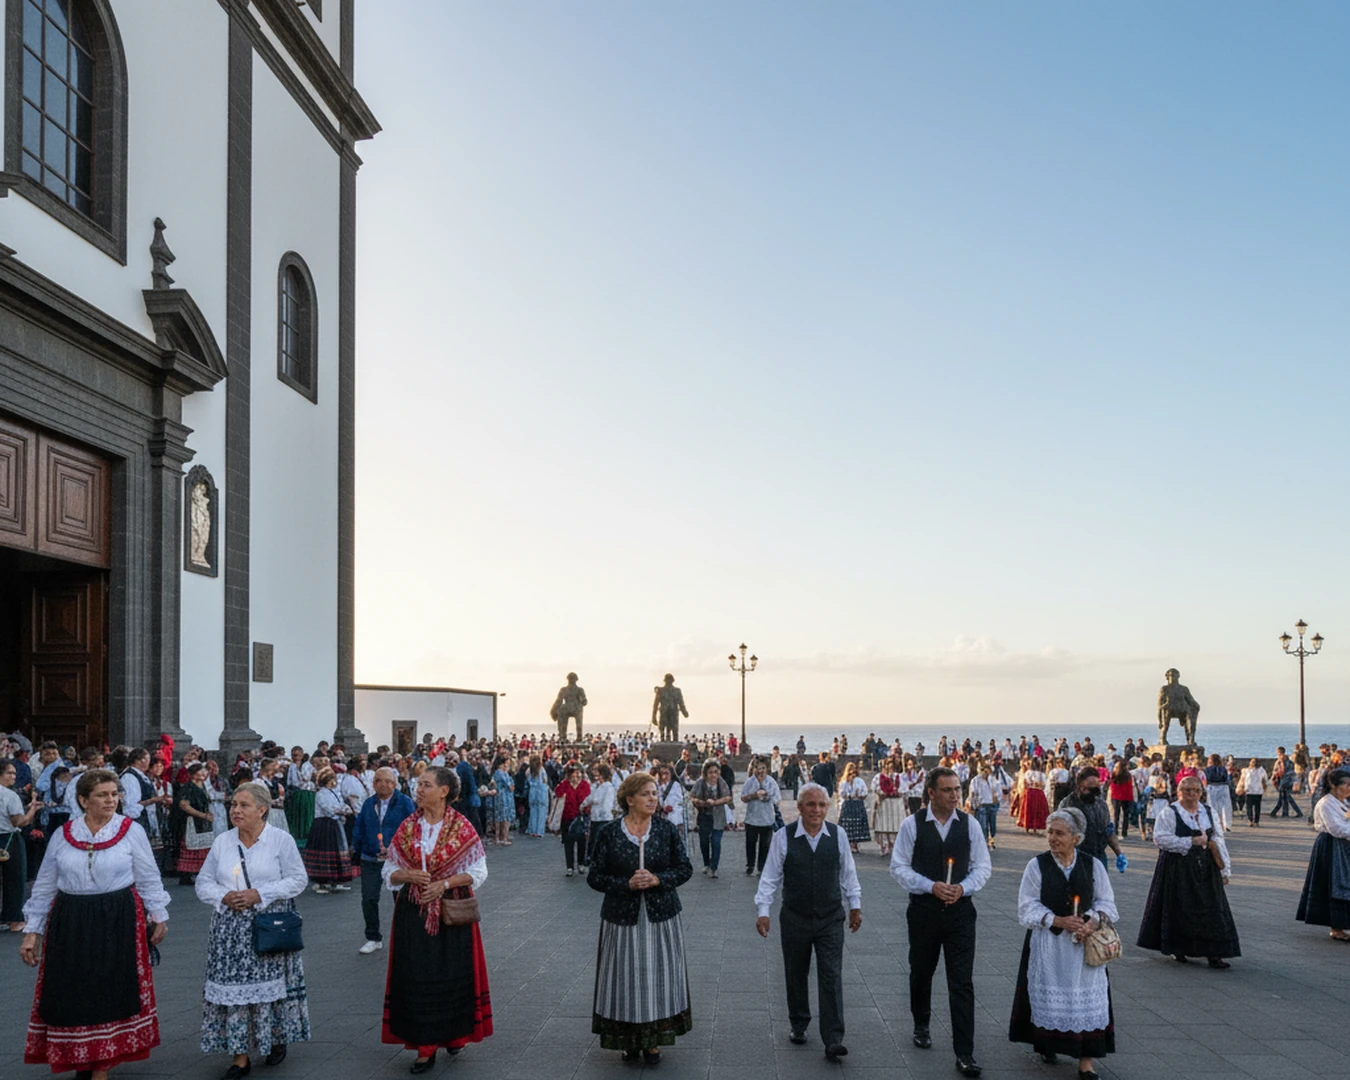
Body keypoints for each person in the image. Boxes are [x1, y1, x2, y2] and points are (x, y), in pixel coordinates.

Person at [20, 769, 168, 1077]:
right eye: (103, 795)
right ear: (84, 800)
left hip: (116, 916)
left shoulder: (130, 831)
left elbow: (148, 876)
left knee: (109, 988)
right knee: (72, 989)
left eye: (115, 794)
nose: (111, 800)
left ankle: (101, 1063)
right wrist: (32, 932)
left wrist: (158, 916)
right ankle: (79, 1055)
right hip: (70, 918)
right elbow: (46, 884)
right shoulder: (64, 834)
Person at [196, 781, 310, 1077]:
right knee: (233, 990)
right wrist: (223, 896)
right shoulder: (223, 841)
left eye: (243, 805)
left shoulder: (279, 840)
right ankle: (239, 1055)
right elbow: (203, 882)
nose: (235, 810)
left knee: (269, 989)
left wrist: (260, 893)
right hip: (229, 930)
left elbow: (298, 880)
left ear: (262, 810)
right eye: (233, 804)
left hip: (267, 925)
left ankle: (275, 1037)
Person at [381, 766, 492, 1072]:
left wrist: (444, 884)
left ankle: (454, 1033)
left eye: (426, 785)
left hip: (451, 912)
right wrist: (408, 875)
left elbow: (479, 871)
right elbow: (388, 871)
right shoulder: (407, 827)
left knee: (452, 973)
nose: (418, 789)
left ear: (444, 791)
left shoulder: (462, 827)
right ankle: (425, 1045)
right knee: (418, 974)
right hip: (414, 912)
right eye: (418, 784)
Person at [890, 766, 990, 1078]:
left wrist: (963, 888)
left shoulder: (970, 824)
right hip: (924, 911)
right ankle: (921, 1022)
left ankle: (965, 1053)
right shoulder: (913, 824)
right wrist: (930, 885)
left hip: (961, 913)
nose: (955, 795)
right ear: (931, 792)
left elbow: (983, 866)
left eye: (957, 789)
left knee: (962, 982)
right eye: (948, 790)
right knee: (922, 971)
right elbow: (899, 866)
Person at [587, 771, 693, 1063]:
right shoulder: (609, 833)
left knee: (659, 977)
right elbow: (594, 877)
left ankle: (655, 1040)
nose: (652, 799)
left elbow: (685, 869)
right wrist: (626, 884)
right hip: (621, 917)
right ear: (629, 798)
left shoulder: (666, 830)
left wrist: (658, 879)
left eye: (655, 794)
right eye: (646, 794)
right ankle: (628, 1040)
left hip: (661, 917)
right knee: (624, 977)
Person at [1008, 808, 1119, 1079]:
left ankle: (1086, 1061)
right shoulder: (1037, 865)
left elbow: (1108, 903)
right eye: (1050, 832)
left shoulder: (1092, 865)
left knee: (1085, 1001)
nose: (1052, 838)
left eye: (1060, 833)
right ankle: (1049, 1043)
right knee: (1051, 996)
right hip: (1050, 945)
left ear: (1076, 838)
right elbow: (1027, 906)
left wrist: (1091, 920)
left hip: (1084, 948)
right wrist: (1057, 920)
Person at [755, 783, 862, 1061]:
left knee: (831, 975)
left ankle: (833, 1038)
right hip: (795, 917)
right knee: (796, 972)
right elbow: (769, 877)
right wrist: (763, 911)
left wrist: (855, 906)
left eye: (821, 805)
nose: (816, 810)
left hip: (829, 918)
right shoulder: (783, 837)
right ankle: (799, 1023)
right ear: (800, 807)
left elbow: (848, 875)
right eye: (811, 805)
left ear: (828, 808)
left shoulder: (838, 835)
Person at [1136, 775, 1239, 969]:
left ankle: (1214, 953)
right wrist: (1189, 842)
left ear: (1201, 793)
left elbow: (1218, 839)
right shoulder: (1169, 812)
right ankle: (1179, 948)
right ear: (1179, 792)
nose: (1192, 794)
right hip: (1178, 867)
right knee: (1180, 907)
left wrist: (1225, 869)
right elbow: (1160, 838)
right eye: (1187, 790)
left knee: (1213, 908)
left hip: (1205, 867)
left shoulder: (1208, 811)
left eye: (1196, 791)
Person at [352, 767, 415, 955]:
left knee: (401, 900)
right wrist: (357, 848)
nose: (383, 784)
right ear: (373, 783)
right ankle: (373, 937)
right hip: (370, 858)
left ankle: (405, 936)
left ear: (395, 784)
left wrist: (399, 850)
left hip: (397, 860)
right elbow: (359, 827)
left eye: (388, 781)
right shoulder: (369, 803)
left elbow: (412, 830)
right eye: (379, 780)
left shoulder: (405, 803)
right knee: (369, 898)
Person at [1295, 768, 1350, 941]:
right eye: (1347, 785)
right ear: (1334, 785)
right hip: (1331, 846)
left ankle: (1341, 925)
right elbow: (1336, 828)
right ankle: (1336, 927)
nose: (1349, 788)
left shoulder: (1341, 802)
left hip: (1342, 845)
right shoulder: (1326, 803)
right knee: (1334, 885)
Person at [1057, 768, 1125, 871]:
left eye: (1096, 790)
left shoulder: (1101, 805)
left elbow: (1109, 832)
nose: (1092, 794)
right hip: (1075, 858)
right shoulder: (1067, 805)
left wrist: (1119, 853)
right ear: (1080, 786)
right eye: (1088, 789)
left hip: (1099, 857)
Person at [305, 767, 357, 893]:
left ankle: (336, 880)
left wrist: (346, 808)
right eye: (332, 779)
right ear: (328, 780)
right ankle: (322, 883)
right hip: (324, 825)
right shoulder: (321, 793)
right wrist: (341, 811)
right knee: (325, 851)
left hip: (335, 824)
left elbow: (340, 803)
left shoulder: (334, 792)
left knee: (338, 851)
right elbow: (327, 808)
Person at [176, 761, 217, 885]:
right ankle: (186, 874)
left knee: (204, 846)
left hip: (203, 821)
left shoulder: (203, 787)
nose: (204, 773)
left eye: (205, 771)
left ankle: (201, 872)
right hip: (192, 821)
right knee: (191, 846)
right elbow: (184, 805)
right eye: (201, 771)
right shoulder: (188, 788)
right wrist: (202, 815)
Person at [689, 760, 732, 878]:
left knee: (716, 841)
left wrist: (715, 802)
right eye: (710, 772)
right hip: (704, 816)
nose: (713, 775)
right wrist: (698, 802)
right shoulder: (700, 783)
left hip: (718, 816)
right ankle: (706, 863)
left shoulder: (721, 782)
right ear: (705, 773)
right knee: (704, 841)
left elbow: (728, 797)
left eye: (715, 772)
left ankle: (714, 867)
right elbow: (691, 796)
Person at [740, 757, 781, 874]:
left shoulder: (771, 782)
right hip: (752, 818)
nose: (760, 771)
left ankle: (762, 866)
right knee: (750, 843)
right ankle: (750, 865)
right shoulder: (750, 782)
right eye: (758, 768)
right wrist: (754, 796)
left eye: (763, 768)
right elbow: (743, 797)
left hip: (767, 818)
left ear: (767, 769)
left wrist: (768, 796)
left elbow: (778, 799)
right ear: (754, 769)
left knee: (765, 845)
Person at [556, 762, 591, 877]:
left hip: (581, 817)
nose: (576, 777)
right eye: (573, 774)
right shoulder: (565, 784)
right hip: (567, 818)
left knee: (582, 842)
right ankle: (570, 867)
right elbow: (558, 792)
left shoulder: (585, 785)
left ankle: (581, 864)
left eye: (578, 774)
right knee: (568, 843)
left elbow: (587, 799)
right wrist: (566, 782)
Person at [872, 756, 906, 857]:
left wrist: (898, 792)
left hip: (895, 802)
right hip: (885, 802)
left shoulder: (898, 777)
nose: (890, 768)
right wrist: (881, 793)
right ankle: (884, 845)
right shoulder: (879, 776)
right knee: (883, 824)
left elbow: (904, 789)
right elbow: (875, 787)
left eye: (892, 766)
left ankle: (893, 844)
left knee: (895, 824)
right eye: (888, 766)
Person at [836, 761, 870, 854]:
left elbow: (865, 791)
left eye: (854, 772)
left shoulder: (860, 781)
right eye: (851, 773)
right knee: (848, 824)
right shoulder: (843, 782)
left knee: (857, 823)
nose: (853, 775)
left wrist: (860, 794)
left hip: (857, 803)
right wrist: (849, 789)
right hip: (847, 803)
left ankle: (855, 843)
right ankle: (849, 844)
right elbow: (841, 793)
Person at [967, 763, 1000, 851]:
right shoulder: (976, 780)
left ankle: (991, 839)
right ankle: (984, 842)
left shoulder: (993, 779)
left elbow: (998, 790)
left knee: (993, 826)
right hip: (981, 805)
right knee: (983, 825)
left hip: (992, 805)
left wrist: (997, 798)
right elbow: (973, 793)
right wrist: (973, 805)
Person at [1016, 759, 1049, 835]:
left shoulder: (1028, 773)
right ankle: (1035, 827)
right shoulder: (1042, 774)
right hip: (1039, 792)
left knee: (1029, 809)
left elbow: (1025, 782)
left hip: (1030, 792)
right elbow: (1044, 784)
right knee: (1038, 810)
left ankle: (1027, 826)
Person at [490, 755, 515, 847]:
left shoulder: (496, 773)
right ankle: (504, 837)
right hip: (505, 796)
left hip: (498, 796)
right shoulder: (503, 773)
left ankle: (497, 837)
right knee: (505, 817)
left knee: (498, 817)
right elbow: (511, 787)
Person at [1202, 754, 1232, 831]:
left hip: (1211, 787)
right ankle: (1227, 825)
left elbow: (1205, 780)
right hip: (1223, 787)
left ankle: (1214, 824)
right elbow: (1227, 779)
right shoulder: (1223, 769)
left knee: (1212, 806)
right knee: (1225, 807)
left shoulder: (1207, 769)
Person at [524, 754, 549, 837]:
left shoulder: (529, 770)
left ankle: (532, 829)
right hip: (541, 792)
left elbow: (527, 779)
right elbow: (545, 780)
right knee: (542, 812)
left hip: (532, 792)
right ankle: (539, 831)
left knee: (533, 812)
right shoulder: (542, 770)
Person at [1240, 758, 1268, 826]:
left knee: (1249, 807)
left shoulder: (1246, 771)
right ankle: (1256, 821)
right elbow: (1265, 779)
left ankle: (1251, 820)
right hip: (1258, 791)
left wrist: (1242, 788)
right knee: (1257, 807)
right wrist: (1264, 788)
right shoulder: (1262, 770)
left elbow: (1243, 780)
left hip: (1249, 790)